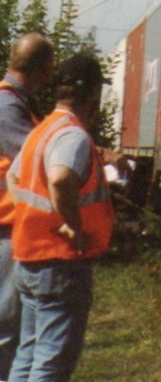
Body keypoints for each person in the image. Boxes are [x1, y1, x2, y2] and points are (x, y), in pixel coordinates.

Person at [7, 53, 115, 382]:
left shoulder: (40, 131)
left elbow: (13, 177)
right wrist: (71, 225)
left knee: (28, 354)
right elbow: (60, 178)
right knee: (51, 362)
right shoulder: (73, 135)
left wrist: (31, 215)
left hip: (29, 258)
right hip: (60, 263)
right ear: (93, 93)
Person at [0, 34, 57, 380]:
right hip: (5, 229)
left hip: (11, 227)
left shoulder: (15, 103)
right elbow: (39, 156)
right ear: (43, 68)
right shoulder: (7, 107)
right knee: (6, 324)